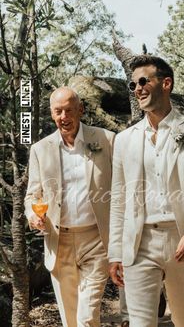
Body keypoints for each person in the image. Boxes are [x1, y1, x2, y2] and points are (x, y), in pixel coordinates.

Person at [108, 55, 184, 327]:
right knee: (140, 323)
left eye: (143, 81)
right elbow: (118, 200)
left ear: (166, 83)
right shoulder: (124, 140)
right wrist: (116, 252)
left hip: (182, 238)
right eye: (132, 84)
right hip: (140, 243)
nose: (137, 88)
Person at [24, 87, 115, 327]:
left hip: (96, 239)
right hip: (58, 240)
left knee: (87, 316)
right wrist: (33, 215)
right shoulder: (40, 149)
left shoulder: (106, 140)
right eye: (58, 111)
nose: (64, 117)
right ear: (52, 114)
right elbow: (33, 195)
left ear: (80, 110)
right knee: (70, 320)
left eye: (69, 110)